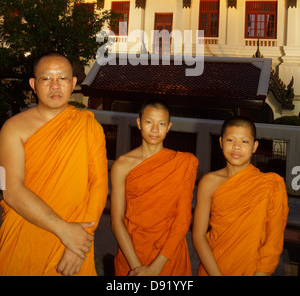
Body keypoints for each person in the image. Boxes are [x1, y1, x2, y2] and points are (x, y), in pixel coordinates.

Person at [0, 52, 108, 276]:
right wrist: (64, 230)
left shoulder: (88, 126)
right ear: (33, 84)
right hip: (26, 233)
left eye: (63, 78)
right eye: (46, 78)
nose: (55, 85)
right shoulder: (12, 128)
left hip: (76, 239)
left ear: (73, 83)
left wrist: (78, 245)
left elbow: (98, 186)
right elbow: (11, 191)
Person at [192, 115, 289, 276]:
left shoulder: (270, 184)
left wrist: (260, 273)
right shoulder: (208, 182)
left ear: (254, 146)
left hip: (251, 270)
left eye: (244, 142)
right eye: (230, 140)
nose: (236, 147)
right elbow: (198, 235)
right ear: (221, 142)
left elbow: (274, 239)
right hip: (213, 267)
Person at [111, 100, 198, 276]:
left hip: (169, 256)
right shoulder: (122, 166)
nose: (155, 129)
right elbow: (116, 220)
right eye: (149, 122)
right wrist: (137, 267)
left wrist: (155, 268)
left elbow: (182, 221)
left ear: (169, 127)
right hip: (132, 254)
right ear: (139, 123)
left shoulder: (182, 163)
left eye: (162, 124)